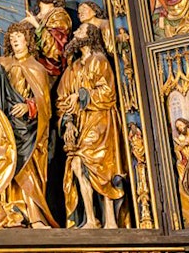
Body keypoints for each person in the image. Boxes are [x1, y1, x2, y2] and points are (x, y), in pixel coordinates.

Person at [0, 22, 57, 228]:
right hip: (3, 125)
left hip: (27, 128)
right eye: (12, 37)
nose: (15, 40)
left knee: (26, 169)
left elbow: (45, 102)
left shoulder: (36, 68)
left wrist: (28, 106)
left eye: (19, 36)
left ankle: (34, 216)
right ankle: (6, 213)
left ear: (28, 40)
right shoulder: (2, 62)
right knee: (4, 165)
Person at [57, 24, 123, 228]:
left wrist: (82, 95)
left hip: (100, 119)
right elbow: (62, 99)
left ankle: (111, 219)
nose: (75, 32)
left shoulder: (100, 61)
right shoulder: (73, 67)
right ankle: (90, 218)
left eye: (80, 31)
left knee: (102, 167)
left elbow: (108, 93)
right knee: (77, 165)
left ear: (90, 36)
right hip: (80, 122)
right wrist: (67, 123)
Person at [23, 0, 72, 77]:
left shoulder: (59, 15)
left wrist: (36, 26)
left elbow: (57, 47)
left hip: (49, 66)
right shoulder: (35, 17)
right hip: (31, 61)